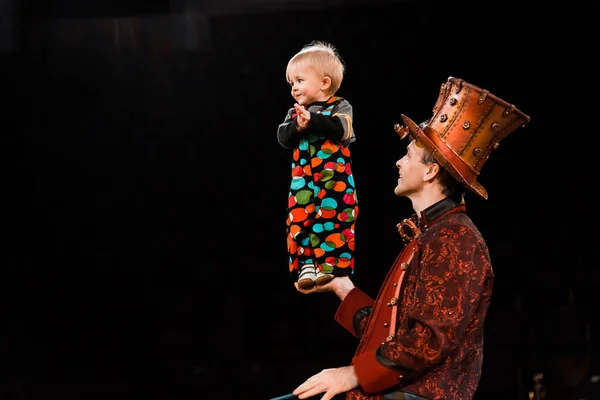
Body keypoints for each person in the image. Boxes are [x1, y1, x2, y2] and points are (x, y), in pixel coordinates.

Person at [291, 76, 531, 400]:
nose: (399, 161)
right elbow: (394, 337)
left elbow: (430, 341)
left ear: (431, 171)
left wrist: (351, 375)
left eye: (408, 154)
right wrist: (341, 287)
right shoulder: (434, 233)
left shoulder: (456, 239)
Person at [277, 41, 359, 290]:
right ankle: (307, 264)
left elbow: (339, 129)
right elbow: (283, 137)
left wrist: (312, 119)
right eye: (292, 83)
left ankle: (331, 265)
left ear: (324, 83)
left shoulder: (340, 107)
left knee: (335, 219)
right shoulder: (295, 114)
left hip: (335, 182)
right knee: (300, 220)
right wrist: (298, 126)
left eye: (300, 80)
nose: (294, 88)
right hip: (303, 182)